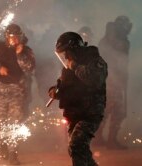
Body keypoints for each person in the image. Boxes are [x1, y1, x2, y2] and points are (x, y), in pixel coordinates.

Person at [48, 32, 107, 166]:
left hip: (90, 113)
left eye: (66, 53)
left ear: (74, 49)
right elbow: (65, 87)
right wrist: (54, 92)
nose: (64, 57)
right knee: (78, 149)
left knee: (76, 145)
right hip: (74, 113)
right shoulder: (68, 67)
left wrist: (74, 66)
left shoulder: (95, 60)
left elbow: (94, 80)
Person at [0, 23, 35, 165]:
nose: (14, 40)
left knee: (15, 123)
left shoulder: (26, 51)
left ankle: (13, 152)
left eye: (16, 37)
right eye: (11, 37)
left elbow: (29, 68)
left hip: (16, 91)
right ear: (6, 37)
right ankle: (2, 148)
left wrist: (19, 54)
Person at [96, 15, 132, 149]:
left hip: (112, 81)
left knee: (109, 111)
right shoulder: (116, 40)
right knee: (117, 111)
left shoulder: (109, 39)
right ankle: (107, 140)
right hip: (111, 81)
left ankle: (101, 139)